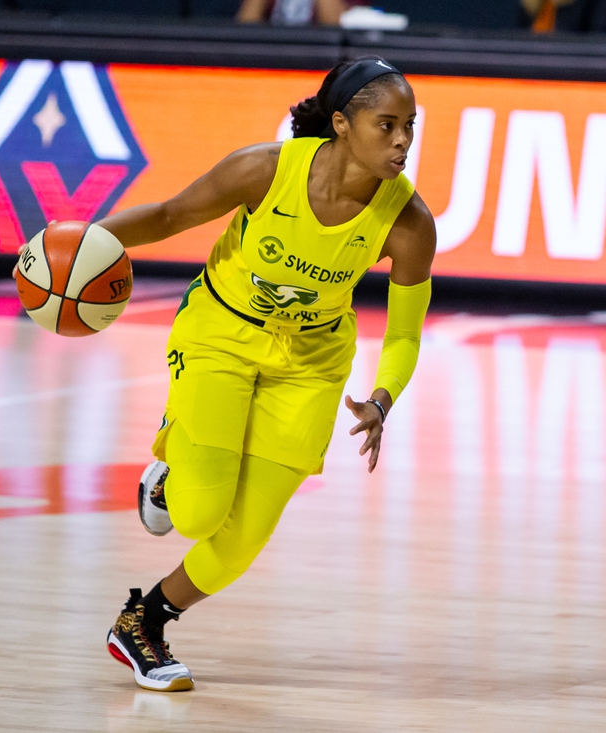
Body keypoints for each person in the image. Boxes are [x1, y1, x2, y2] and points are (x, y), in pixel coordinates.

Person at [95, 57, 435, 691]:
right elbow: (170, 216)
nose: (402, 142)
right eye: (387, 125)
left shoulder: (409, 222)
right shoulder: (266, 169)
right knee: (199, 515)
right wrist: (82, 240)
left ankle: (144, 622)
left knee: (245, 536)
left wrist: (382, 401)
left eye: (409, 127)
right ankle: (173, 471)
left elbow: (406, 331)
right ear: (341, 123)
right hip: (221, 335)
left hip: (311, 364)